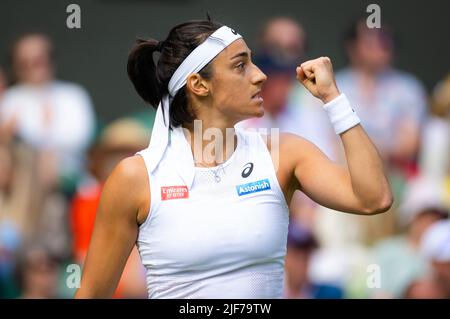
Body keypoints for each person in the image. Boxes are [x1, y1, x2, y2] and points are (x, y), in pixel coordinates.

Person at [75, 18, 392, 299]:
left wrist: (333, 98)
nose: (260, 76)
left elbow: (373, 198)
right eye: (241, 65)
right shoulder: (136, 177)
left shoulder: (284, 153)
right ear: (199, 84)